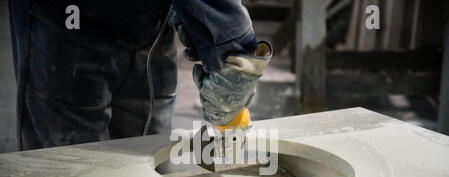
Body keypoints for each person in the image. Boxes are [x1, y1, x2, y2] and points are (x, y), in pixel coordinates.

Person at [9, 0, 272, 150]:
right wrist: (232, 48)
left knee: (148, 158)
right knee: (70, 169)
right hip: (65, 17)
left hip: (148, 24)